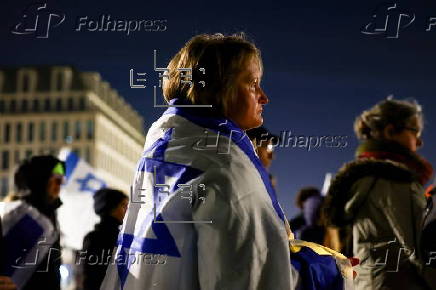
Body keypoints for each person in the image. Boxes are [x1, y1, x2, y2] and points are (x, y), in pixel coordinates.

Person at [101, 33, 353, 290]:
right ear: (218, 87)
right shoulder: (228, 166)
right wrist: (331, 269)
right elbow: (251, 279)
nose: (264, 97)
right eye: (253, 84)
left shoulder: (164, 148)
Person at [323, 98, 433, 289]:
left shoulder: (361, 181)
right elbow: (423, 253)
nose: (420, 141)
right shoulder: (394, 181)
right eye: (415, 131)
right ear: (391, 131)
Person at [0, 156, 65, 290]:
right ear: (41, 180)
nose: (60, 186)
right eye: (57, 181)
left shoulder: (51, 215)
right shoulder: (17, 215)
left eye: (62, 181)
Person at [81, 188, 128, 290]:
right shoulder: (104, 238)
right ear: (112, 208)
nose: (127, 211)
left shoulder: (93, 237)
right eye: (123, 205)